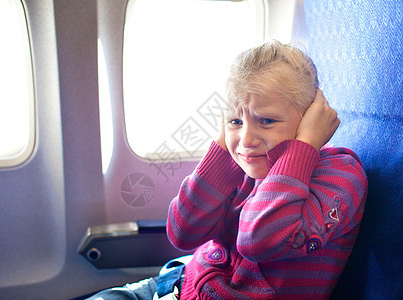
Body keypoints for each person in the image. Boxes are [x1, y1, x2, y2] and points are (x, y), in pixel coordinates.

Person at [85, 40, 368, 300]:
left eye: (266, 121)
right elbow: (182, 232)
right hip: (173, 283)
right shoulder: (245, 167)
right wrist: (227, 150)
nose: (246, 139)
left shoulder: (340, 175)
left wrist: (303, 146)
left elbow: (259, 239)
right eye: (235, 121)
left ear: (310, 119)